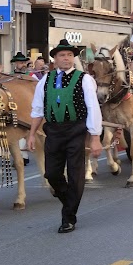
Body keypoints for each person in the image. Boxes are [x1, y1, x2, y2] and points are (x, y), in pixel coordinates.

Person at [27, 39, 103, 234]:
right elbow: (37, 109)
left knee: (75, 174)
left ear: (73, 58)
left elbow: (93, 108)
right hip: (53, 131)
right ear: (55, 59)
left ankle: (68, 217)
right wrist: (31, 134)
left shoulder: (84, 79)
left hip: (76, 130)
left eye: (69, 55)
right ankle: (69, 200)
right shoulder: (45, 80)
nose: (66, 58)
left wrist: (95, 137)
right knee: (51, 174)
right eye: (62, 55)